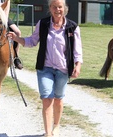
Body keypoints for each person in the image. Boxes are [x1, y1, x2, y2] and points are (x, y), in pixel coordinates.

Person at [8, 0, 83, 136]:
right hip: (45, 68)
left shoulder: (72, 27)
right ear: (50, 8)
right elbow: (32, 41)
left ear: (64, 8)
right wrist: (17, 38)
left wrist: (78, 65)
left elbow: (77, 50)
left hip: (63, 69)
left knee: (59, 98)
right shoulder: (43, 24)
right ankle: (48, 133)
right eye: (54, 7)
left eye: (60, 7)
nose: (57, 9)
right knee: (47, 98)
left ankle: (56, 125)